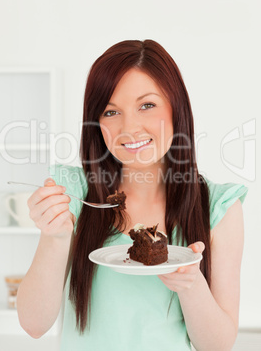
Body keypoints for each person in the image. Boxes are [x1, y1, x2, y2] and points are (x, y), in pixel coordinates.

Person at [17, 40, 248, 351]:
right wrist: (55, 238)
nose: (129, 127)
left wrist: (191, 286)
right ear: (97, 124)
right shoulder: (74, 194)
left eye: (147, 105)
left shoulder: (218, 207)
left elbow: (218, 345)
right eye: (111, 111)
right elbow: (33, 325)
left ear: (176, 107)